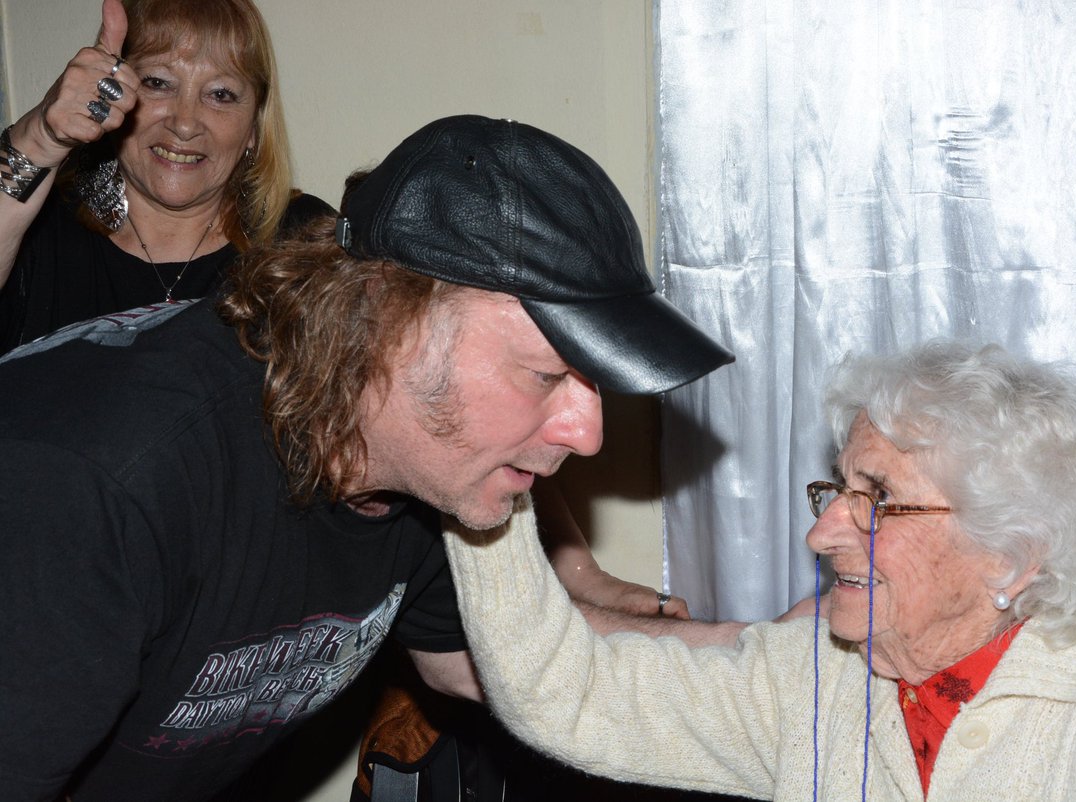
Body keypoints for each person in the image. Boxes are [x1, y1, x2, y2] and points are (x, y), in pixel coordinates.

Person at [0, 114, 734, 801]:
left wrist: (767, 657)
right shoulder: (93, 487)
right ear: (390, 319)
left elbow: (513, 665)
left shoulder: (427, 462)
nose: (588, 435)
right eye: (547, 375)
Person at [443, 340, 1076, 801]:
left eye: (879, 499)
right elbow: (564, 693)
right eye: (838, 490)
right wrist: (480, 454)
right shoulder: (815, 679)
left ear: (1009, 556)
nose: (821, 532)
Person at [0, 0, 328, 353]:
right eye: (158, 83)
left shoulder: (306, 247)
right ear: (110, 94)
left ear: (253, 125)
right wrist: (39, 139)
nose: (184, 124)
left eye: (220, 94)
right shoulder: (38, 229)